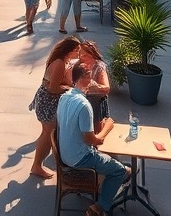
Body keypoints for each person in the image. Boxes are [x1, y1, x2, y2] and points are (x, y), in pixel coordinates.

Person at [56, 63, 130, 216]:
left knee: (118, 166)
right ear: (85, 78)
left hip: (65, 155)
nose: (92, 78)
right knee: (120, 171)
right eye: (89, 75)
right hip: (80, 158)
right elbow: (93, 141)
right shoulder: (84, 105)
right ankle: (99, 206)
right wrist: (107, 127)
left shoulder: (64, 97)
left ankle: (105, 190)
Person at [29, 36, 82, 178]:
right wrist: (69, 90)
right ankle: (37, 166)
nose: (78, 53)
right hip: (48, 102)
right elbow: (53, 88)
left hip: (49, 102)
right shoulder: (59, 63)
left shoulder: (64, 61)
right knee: (48, 134)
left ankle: (45, 164)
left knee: (49, 133)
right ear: (68, 50)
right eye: (76, 50)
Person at [78, 40, 111, 132]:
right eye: (81, 55)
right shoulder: (79, 64)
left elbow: (106, 88)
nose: (82, 58)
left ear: (92, 55)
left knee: (95, 129)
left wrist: (95, 86)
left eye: (86, 56)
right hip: (81, 100)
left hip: (95, 102)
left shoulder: (99, 67)